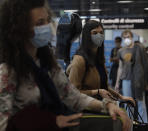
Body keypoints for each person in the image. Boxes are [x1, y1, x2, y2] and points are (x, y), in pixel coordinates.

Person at [0, 0, 131, 131]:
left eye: (47, 20)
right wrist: (50, 122)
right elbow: (4, 124)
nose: (47, 26)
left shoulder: (48, 66)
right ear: (20, 29)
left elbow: (73, 97)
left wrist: (107, 105)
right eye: (40, 23)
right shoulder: (7, 72)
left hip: (61, 124)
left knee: (118, 123)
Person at [66, 20, 135, 104]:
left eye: (101, 33)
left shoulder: (98, 59)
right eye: (94, 33)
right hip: (86, 108)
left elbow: (103, 87)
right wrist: (97, 92)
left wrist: (120, 97)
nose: (99, 36)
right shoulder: (80, 60)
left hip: (101, 105)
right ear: (87, 36)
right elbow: (73, 93)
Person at [115, 30, 148, 123]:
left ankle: (144, 124)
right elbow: (120, 67)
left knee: (140, 102)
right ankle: (129, 124)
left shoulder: (139, 49)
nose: (126, 39)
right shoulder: (121, 51)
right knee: (128, 103)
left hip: (138, 79)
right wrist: (117, 82)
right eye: (124, 37)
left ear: (132, 37)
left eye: (128, 37)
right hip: (126, 79)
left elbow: (145, 65)